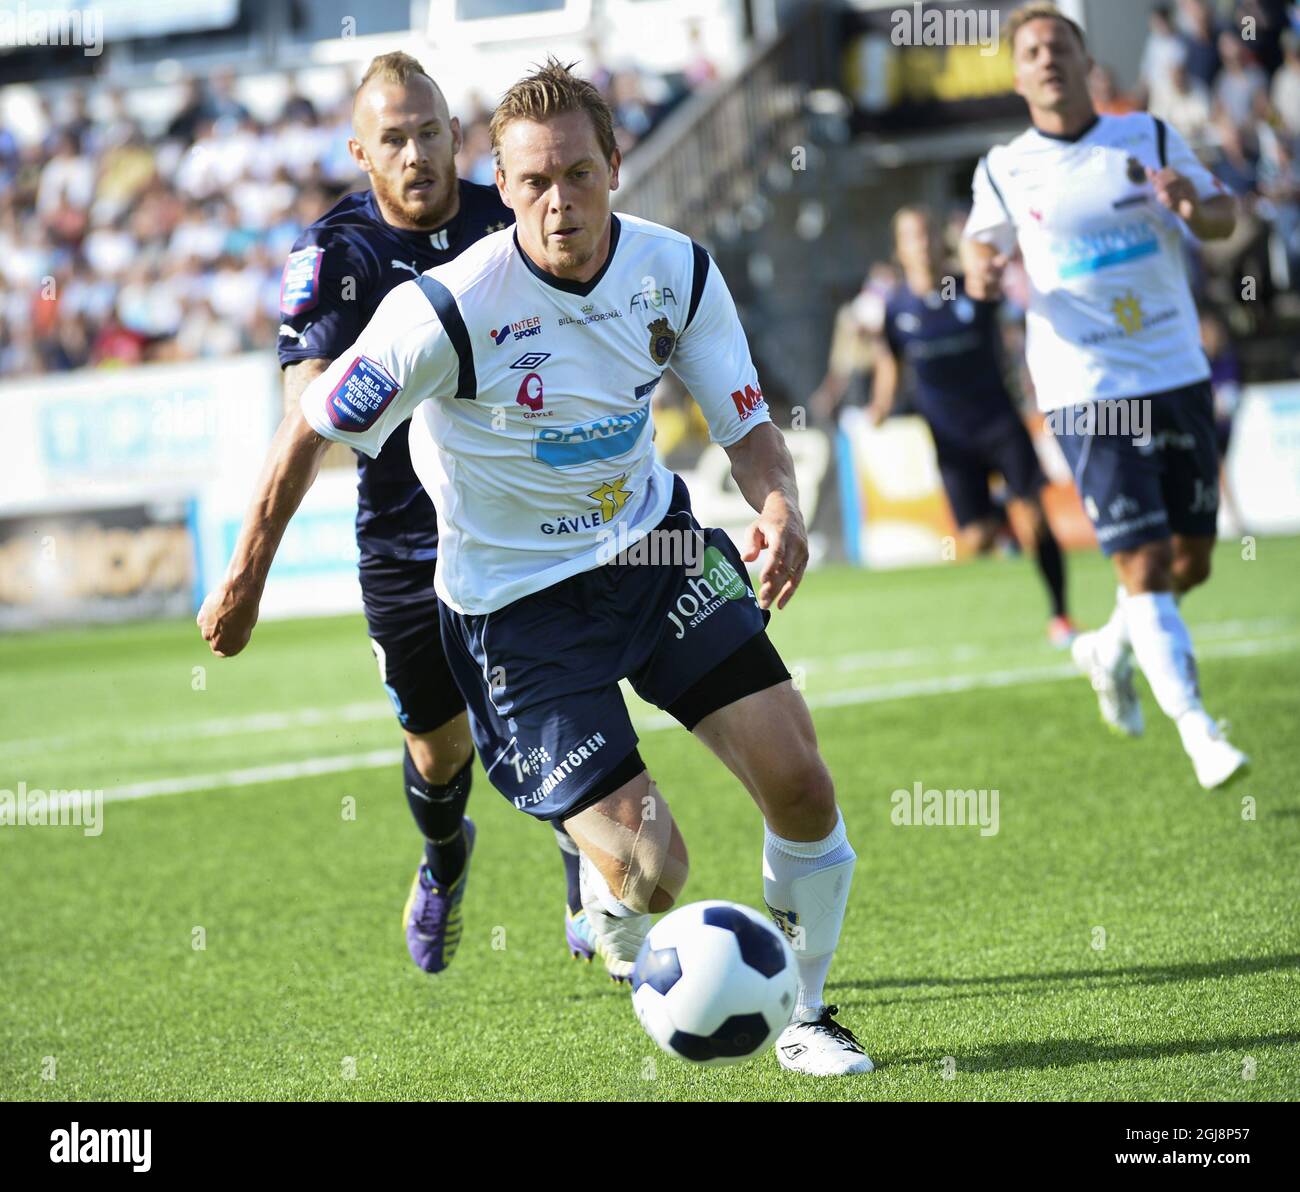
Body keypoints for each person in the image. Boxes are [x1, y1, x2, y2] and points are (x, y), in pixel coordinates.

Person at [200, 57, 872, 1076]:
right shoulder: (447, 309)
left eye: (578, 175)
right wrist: (245, 574)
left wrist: (776, 503)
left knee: (801, 783)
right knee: (654, 869)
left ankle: (810, 1015)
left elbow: (747, 425)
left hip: (654, 551)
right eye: (532, 183)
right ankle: (607, 892)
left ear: (614, 164)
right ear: (502, 188)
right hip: (515, 609)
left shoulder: (677, 270)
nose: (558, 203)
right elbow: (310, 423)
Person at [200, 52, 583, 978]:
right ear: (360, 154)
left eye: (429, 132)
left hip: (528, 520)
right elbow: (312, 409)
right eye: (393, 139)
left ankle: (592, 881)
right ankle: (446, 863)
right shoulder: (336, 256)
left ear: (459, 136)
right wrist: (248, 573)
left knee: (561, 707)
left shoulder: (514, 216)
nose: (416, 153)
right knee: (442, 752)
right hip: (407, 543)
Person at [961, 3, 1248, 790]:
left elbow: (1223, 215)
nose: (1048, 58)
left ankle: (1108, 648)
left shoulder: (1147, 136)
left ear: (1087, 64)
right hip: (1085, 387)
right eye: (1032, 50)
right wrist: (980, 268)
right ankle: (1198, 730)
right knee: (1145, 561)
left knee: (1191, 562)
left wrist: (1196, 205)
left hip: (1175, 370)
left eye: (1061, 46)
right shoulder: (1004, 166)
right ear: (1018, 74)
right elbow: (978, 245)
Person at [871, 205, 1075, 645]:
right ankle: (1001, 513)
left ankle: (1060, 614)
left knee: (1036, 520)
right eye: (911, 236)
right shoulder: (897, 307)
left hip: (998, 422)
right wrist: (881, 404)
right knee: (976, 539)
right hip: (951, 438)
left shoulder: (969, 289)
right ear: (900, 248)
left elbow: (1016, 331)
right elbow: (891, 361)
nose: (921, 243)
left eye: (925, 233)